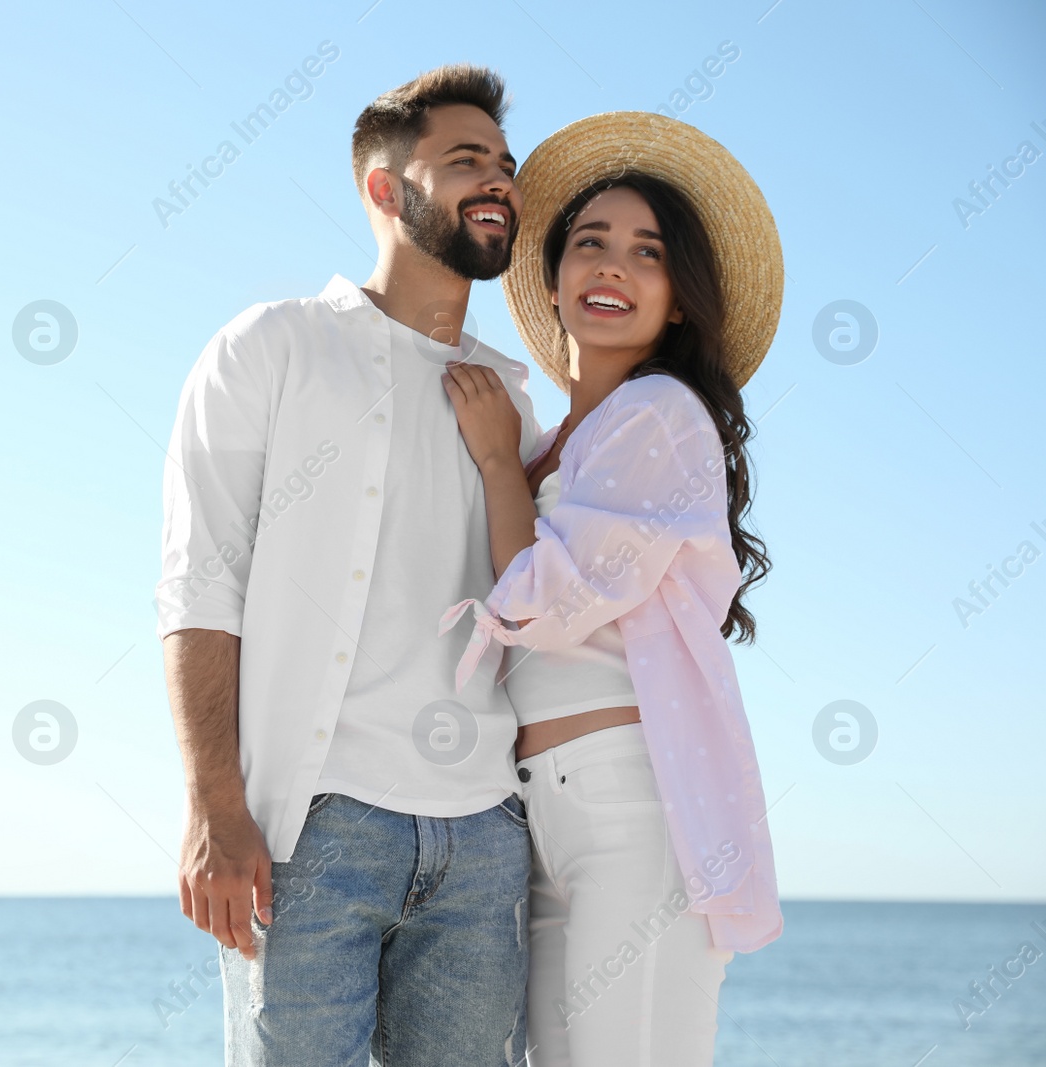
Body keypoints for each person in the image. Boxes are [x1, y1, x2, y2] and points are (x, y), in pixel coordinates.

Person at [156, 65, 543, 1064]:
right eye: (466, 162)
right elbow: (202, 583)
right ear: (384, 188)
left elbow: (539, 612)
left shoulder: (511, 399)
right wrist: (214, 804)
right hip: (309, 831)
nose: (498, 180)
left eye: (504, 164)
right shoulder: (271, 346)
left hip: (483, 832)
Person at [438, 111, 786, 1067]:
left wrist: (499, 466)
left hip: (635, 803)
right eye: (589, 243)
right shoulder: (565, 442)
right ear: (550, 280)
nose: (612, 266)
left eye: (647, 252)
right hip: (535, 806)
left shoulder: (659, 414)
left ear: (678, 300)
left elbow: (544, 605)